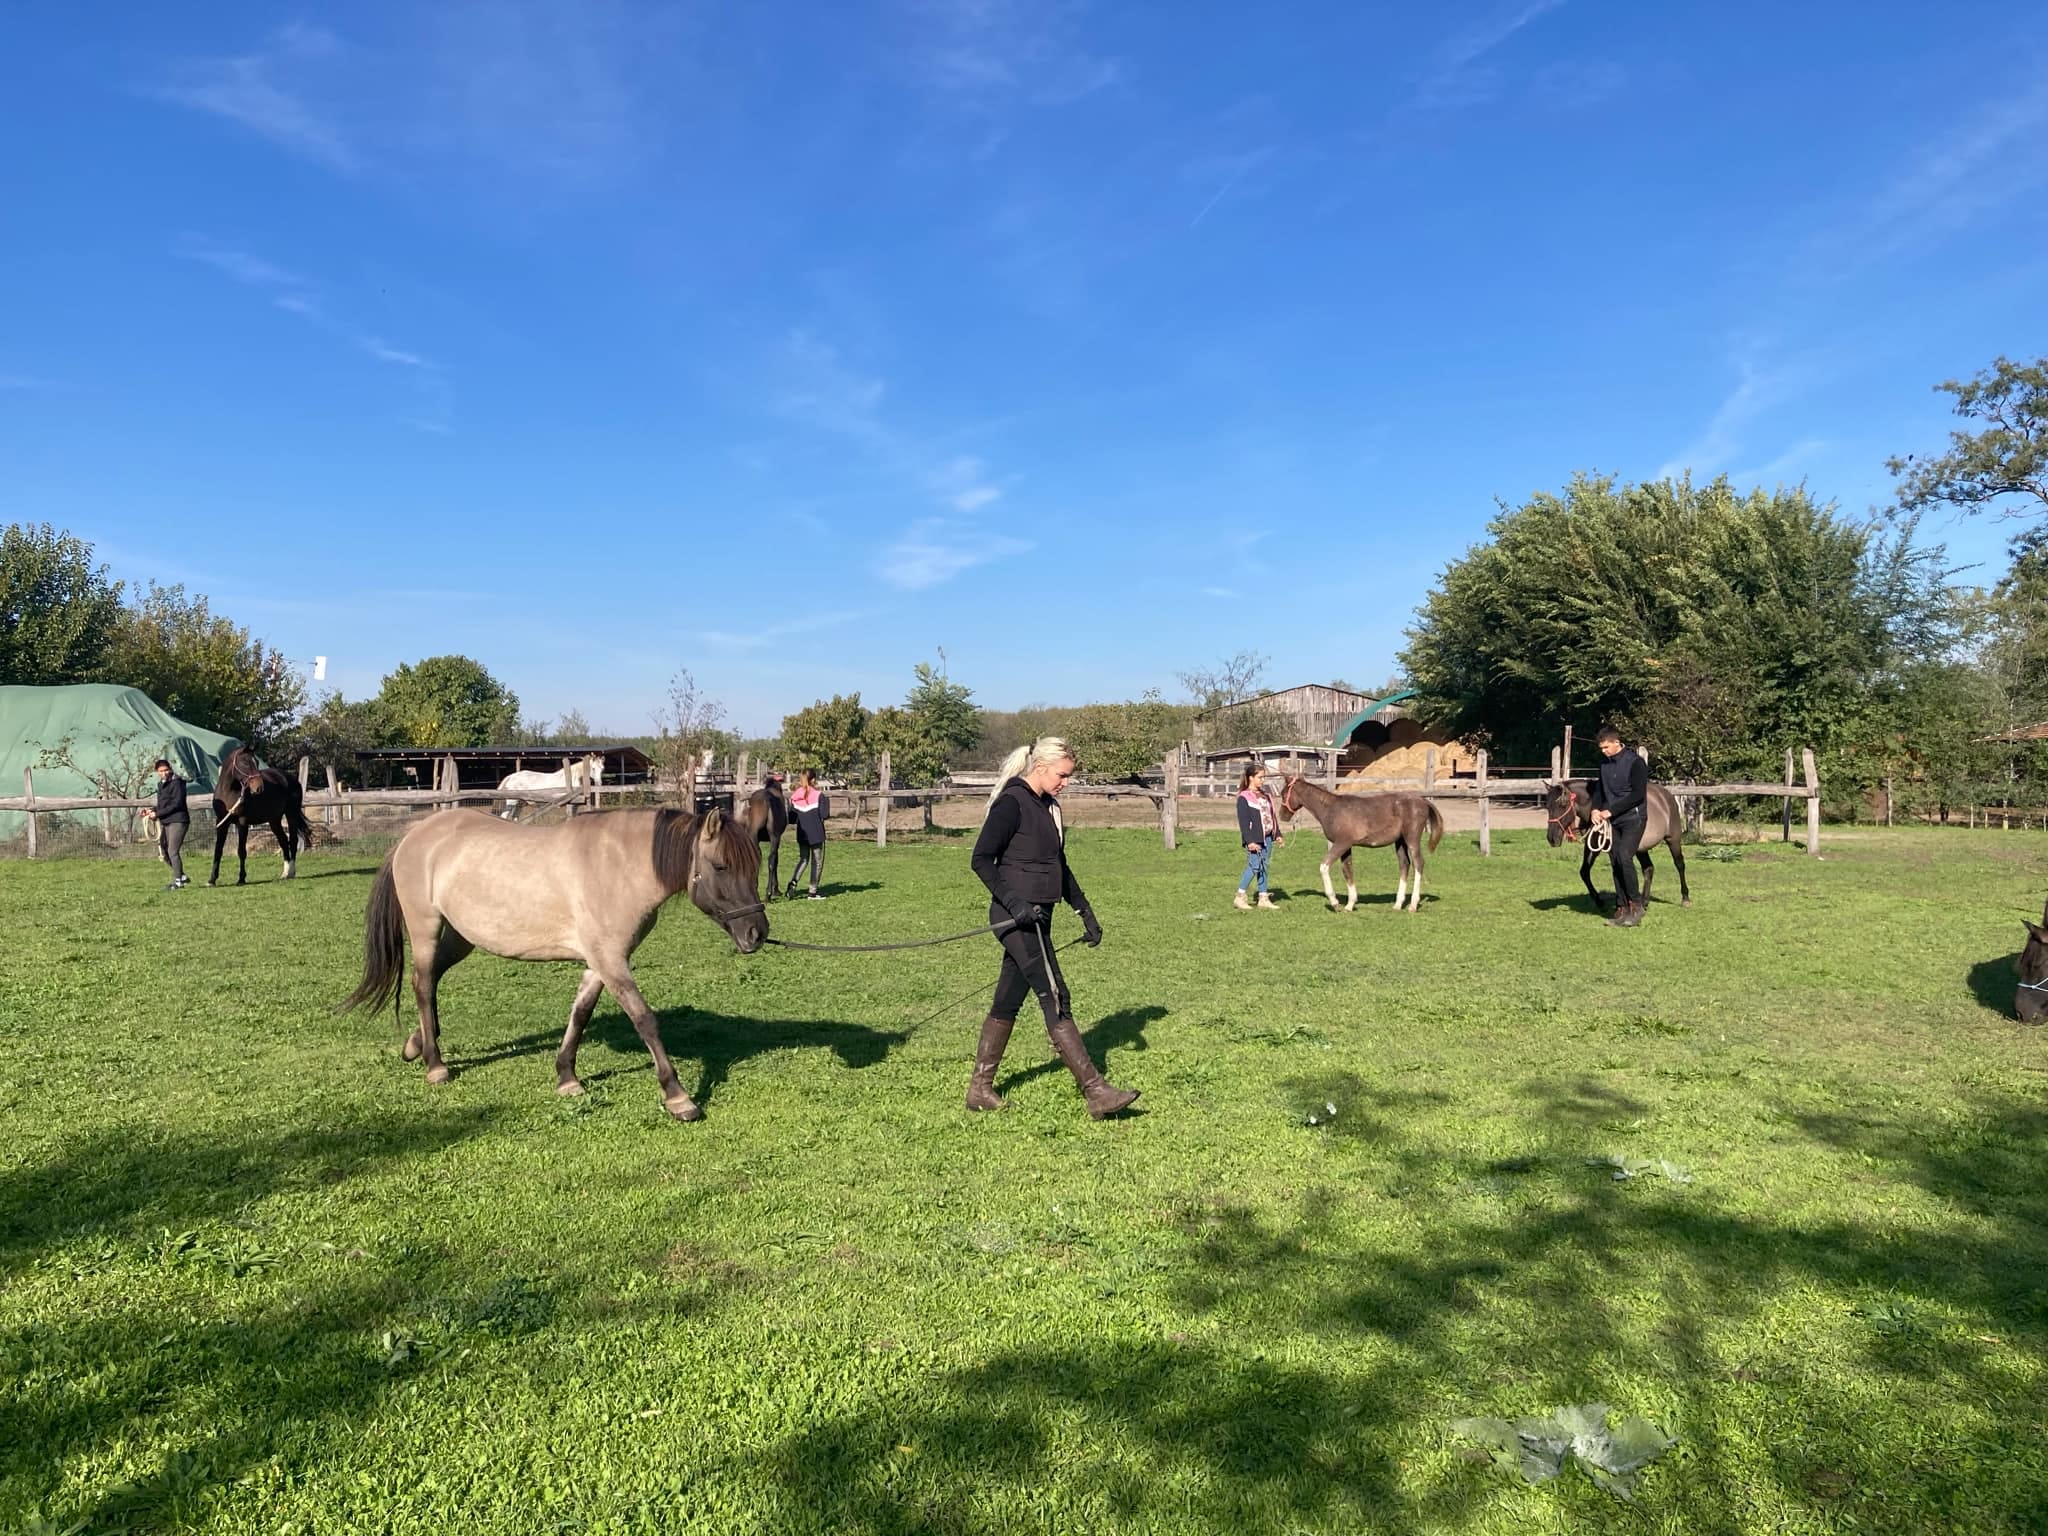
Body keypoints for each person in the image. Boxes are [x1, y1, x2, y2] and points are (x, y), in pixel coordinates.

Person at [967, 736, 1137, 1119]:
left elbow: (1059, 866)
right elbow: (981, 860)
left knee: (1008, 1000)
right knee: (1055, 993)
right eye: (1062, 775)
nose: (1065, 782)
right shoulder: (1011, 803)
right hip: (1015, 918)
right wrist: (1014, 903)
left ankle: (979, 1089)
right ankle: (1096, 1092)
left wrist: (1084, 911)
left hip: (1041, 916)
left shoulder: (1049, 808)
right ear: (1040, 768)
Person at [1587, 724, 1649, 927]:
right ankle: (1621, 906)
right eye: (1601, 749)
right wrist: (1596, 809)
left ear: (1616, 742)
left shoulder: (1636, 763)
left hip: (1634, 818)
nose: (1603, 752)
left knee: (1624, 855)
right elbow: (1599, 791)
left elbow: (1637, 794)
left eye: (1606, 747)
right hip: (1612, 820)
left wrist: (1610, 811)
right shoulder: (1604, 765)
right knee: (1614, 858)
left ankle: (1636, 906)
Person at [1234, 764, 1283, 910]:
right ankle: (1240, 896)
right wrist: (1250, 841)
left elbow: (1271, 816)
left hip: (1267, 837)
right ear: (1251, 778)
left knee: (1263, 867)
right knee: (1254, 866)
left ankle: (1263, 897)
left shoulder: (1266, 795)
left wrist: (1277, 834)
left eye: (1263, 777)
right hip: (1254, 839)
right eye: (1260, 777)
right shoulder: (1244, 798)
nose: (1263, 780)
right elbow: (1244, 823)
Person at [138, 757, 191, 890]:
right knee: (164, 851)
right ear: (157, 772)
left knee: (173, 851)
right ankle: (182, 876)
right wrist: (151, 811)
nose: (164, 773)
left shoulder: (177, 783)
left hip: (178, 820)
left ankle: (178, 881)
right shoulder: (161, 785)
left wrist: (158, 814)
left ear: (170, 769)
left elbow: (176, 804)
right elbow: (163, 804)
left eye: (166, 770)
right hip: (167, 820)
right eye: (161, 771)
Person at [786, 769, 829, 900]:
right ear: (814, 780)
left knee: (803, 859)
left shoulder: (794, 797)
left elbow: (792, 819)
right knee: (817, 862)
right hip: (816, 833)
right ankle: (812, 892)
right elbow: (824, 815)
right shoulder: (819, 795)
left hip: (802, 834)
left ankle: (792, 884)